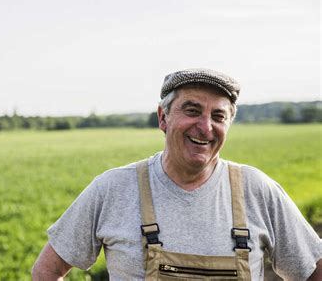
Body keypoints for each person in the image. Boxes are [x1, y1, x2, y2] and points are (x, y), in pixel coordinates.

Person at [32, 68, 322, 280]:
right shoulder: (113, 189)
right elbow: (46, 271)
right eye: (192, 110)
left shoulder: (257, 190)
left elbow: (313, 270)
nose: (206, 127)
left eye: (218, 116)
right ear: (163, 118)